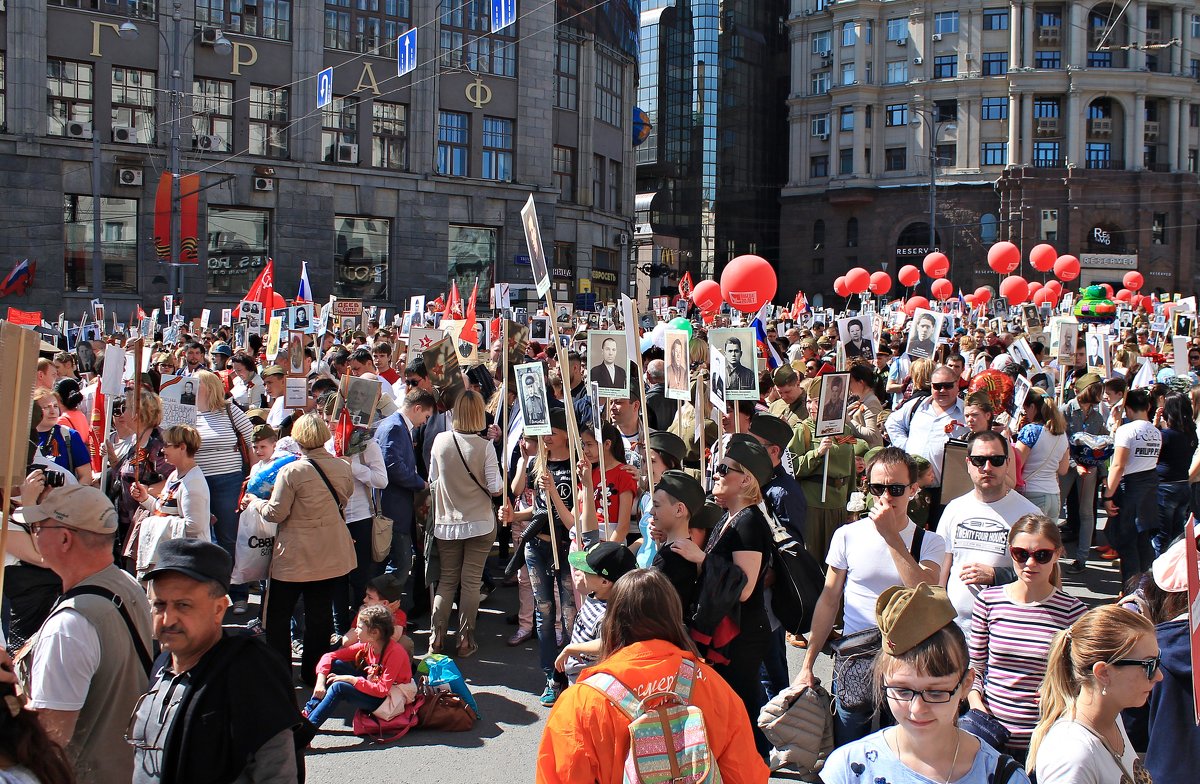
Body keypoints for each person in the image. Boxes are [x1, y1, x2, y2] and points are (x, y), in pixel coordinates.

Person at [536, 569, 770, 784]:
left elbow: (563, 775)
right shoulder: (712, 685)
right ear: (674, 617)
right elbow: (746, 775)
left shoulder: (582, 701)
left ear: (613, 621)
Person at [793, 447, 947, 745]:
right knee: (849, 740)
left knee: (901, 744)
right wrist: (807, 664)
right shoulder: (848, 534)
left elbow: (927, 593)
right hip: (855, 656)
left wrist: (891, 537)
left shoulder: (929, 541)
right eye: (877, 488)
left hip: (908, 660)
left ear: (913, 490)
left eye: (896, 489)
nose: (886, 497)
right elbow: (829, 598)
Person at [132, 538, 310, 783]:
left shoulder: (249, 678)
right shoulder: (162, 666)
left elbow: (277, 774)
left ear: (219, 609)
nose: (167, 619)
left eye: (183, 605)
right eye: (159, 605)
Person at [820, 583, 1031, 784]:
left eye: (937, 692)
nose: (917, 709)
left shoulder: (1002, 776)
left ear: (967, 684)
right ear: (883, 679)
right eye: (902, 690)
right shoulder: (848, 770)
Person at [16, 485, 153, 784]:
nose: (35, 533)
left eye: (39, 526)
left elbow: (50, 738)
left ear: (65, 538)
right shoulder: (127, 584)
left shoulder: (69, 627)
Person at [668, 435, 776, 756]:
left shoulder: (751, 522)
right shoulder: (729, 517)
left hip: (743, 633)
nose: (715, 473)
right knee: (730, 705)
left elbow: (744, 588)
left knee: (740, 705)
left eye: (723, 468)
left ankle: (754, 765)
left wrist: (700, 558)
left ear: (745, 479)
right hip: (728, 630)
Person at [242, 413, 356, 685]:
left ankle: (281, 672)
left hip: (294, 554)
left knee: (278, 615)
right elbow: (346, 498)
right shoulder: (342, 466)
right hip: (329, 550)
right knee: (320, 614)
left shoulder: (292, 471)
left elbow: (275, 513)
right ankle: (312, 672)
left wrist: (254, 502)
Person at [966, 515, 1085, 760]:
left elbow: (1083, 677)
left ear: (1057, 554)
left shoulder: (1073, 612)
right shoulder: (989, 601)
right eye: (1021, 554)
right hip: (990, 736)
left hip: (1045, 738)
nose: (1030, 563)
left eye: (1041, 555)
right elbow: (975, 667)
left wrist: (1060, 690)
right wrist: (977, 705)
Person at [1028, 605, 1160, 783]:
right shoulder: (1071, 756)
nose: (1159, 676)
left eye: (1158, 660)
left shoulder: (1112, 718)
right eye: (1149, 665)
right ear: (1103, 673)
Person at [500, 408, 577, 707]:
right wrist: (513, 514)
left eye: (551, 431)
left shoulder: (577, 466)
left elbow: (573, 515)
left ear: (564, 434)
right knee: (544, 613)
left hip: (566, 548)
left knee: (569, 614)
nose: (544, 437)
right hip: (537, 548)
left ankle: (571, 672)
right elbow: (536, 511)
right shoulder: (536, 463)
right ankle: (550, 675)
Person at [937, 430, 1040, 632]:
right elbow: (942, 568)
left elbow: (1047, 575)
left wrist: (996, 575)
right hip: (956, 629)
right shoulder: (954, 509)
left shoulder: (1029, 514)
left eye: (996, 460)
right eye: (979, 460)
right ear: (968, 463)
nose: (987, 467)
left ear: (1008, 463)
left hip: (1006, 630)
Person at [428, 390, 502, 658]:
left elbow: (432, 479)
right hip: (480, 522)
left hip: (447, 521)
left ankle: (436, 639)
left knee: (447, 581)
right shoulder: (485, 447)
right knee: (470, 583)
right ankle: (464, 640)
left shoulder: (440, 441)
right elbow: (495, 488)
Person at [321, 396, 388, 637]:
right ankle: (341, 630)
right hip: (333, 519)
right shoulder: (326, 443)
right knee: (336, 578)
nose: (328, 424)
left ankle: (361, 629)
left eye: (333, 419)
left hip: (359, 517)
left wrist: (353, 466)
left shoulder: (366, 444)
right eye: (325, 418)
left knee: (359, 578)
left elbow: (382, 480)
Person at [193, 371, 254, 613]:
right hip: (197, 481)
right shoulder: (188, 413)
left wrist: (252, 476)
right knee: (201, 535)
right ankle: (210, 592)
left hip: (229, 480)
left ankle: (238, 591)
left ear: (209, 387)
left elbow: (251, 439)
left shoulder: (229, 410)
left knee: (229, 536)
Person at [304, 605, 414, 730]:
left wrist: (350, 679)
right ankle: (308, 712)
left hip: (387, 699)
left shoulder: (395, 652)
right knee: (335, 665)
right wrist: (320, 682)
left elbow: (381, 690)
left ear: (374, 632)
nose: (356, 630)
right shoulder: (368, 644)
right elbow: (329, 656)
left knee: (338, 687)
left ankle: (305, 733)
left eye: (359, 627)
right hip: (373, 685)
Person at [885, 365, 966, 527]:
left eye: (948, 385)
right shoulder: (917, 405)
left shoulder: (966, 412)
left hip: (946, 493)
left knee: (940, 536)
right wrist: (906, 447)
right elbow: (892, 423)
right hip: (914, 487)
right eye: (937, 386)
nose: (942, 390)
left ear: (957, 385)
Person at [130, 425, 212, 572]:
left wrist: (156, 523)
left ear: (182, 447)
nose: (162, 450)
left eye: (167, 445)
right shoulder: (175, 475)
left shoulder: (193, 483)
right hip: (172, 558)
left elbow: (194, 526)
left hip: (188, 563)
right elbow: (161, 510)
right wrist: (145, 498)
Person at [374, 388, 433, 591]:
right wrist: (421, 484)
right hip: (394, 509)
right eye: (426, 416)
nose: (425, 422)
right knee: (399, 567)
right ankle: (383, 616)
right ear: (417, 408)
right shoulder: (395, 427)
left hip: (394, 507)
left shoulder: (394, 425)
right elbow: (394, 467)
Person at [554, 541, 638, 683]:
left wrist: (571, 648)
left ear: (605, 582)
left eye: (587, 571)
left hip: (589, 680)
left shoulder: (607, 615)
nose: (580, 573)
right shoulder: (595, 595)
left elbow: (608, 643)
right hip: (575, 673)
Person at [1103, 388, 1162, 588]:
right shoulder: (1156, 431)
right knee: (1142, 543)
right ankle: (1143, 589)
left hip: (1130, 489)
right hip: (1149, 487)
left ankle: (1131, 592)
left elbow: (1118, 466)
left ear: (1127, 408)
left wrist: (1107, 496)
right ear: (1147, 407)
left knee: (1127, 544)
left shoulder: (1126, 431)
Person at [1059, 373, 1108, 573]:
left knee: (1086, 513)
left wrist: (1103, 473)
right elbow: (1060, 441)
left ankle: (1082, 558)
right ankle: (1051, 554)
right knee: (1056, 508)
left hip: (1090, 468)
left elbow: (1102, 444)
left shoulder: (1097, 416)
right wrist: (1073, 463)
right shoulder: (1065, 410)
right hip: (1067, 466)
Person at [1013, 388, 1070, 520]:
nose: (1025, 414)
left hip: (1032, 493)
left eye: (1026, 409)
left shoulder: (1031, 431)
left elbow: (1017, 462)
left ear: (1032, 407)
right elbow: (1063, 469)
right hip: (1054, 495)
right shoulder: (1062, 434)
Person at [1153, 391, 1195, 554]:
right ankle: (1175, 571)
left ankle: (1159, 575)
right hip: (1183, 485)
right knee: (1177, 536)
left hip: (1165, 487)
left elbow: (1153, 457)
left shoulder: (1166, 435)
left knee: (1161, 537)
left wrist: (1156, 425)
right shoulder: (1191, 434)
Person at [31, 388, 92, 485]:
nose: (52, 411)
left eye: (55, 406)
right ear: (34, 411)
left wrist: (70, 497)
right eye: (46, 407)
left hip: (63, 497)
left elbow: (86, 476)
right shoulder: (23, 438)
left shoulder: (70, 435)